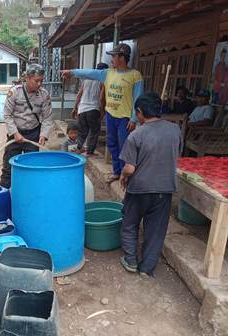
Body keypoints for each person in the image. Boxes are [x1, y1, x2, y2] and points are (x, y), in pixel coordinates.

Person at [119, 92, 181, 277]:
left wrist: (123, 176)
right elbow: (175, 154)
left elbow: (130, 168)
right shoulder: (175, 129)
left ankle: (130, 260)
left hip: (139, 189)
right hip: (164, 188)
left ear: (139, 112)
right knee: (156, 230)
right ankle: (147, 268)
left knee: (130, 223)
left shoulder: (136, 135)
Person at [62, 43, 144, 183]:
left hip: (125, 118)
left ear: (122, 57)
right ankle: (117, 172)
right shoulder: (108, 73)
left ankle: (125, 175)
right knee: (112, 144)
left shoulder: (135, 75)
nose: (111, 58)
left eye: (114, 56)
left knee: (124, 145)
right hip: (111, 115)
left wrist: (133, 118)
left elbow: (138, 98)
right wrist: (72, 72)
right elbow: (88, 72)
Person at [0, 63, 53, 189]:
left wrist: (43, 135)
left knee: (32, 168)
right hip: (15, 134)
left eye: (41, 81)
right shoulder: (15, 92)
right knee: (8, 168)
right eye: (36, 81)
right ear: (27, 78)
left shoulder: (44, 95)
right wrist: (15, 133)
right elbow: (7, 115)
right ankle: (3, 193)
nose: (39, 84)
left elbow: (47, 118)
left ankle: (29, 194)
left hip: (33, 134)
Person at [72, 62, 108, 156]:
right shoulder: (102, 81)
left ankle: (78, 149)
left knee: (82, 132)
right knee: (94, 131)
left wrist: (75, 107)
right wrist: (102, 111)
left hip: (82, 108)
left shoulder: (86, 79)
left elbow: (79, 95)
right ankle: (90, 152)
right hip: (93, 109)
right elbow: (101, 98)